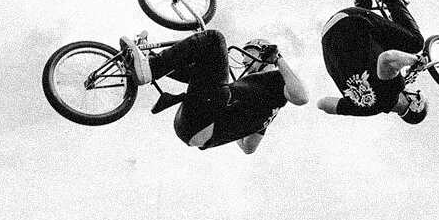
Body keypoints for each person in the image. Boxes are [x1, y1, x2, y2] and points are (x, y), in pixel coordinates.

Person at [120, 30, 309, 154]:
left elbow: (302, 97)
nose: (244, 60)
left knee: (214, 39)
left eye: (250, 53)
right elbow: (248, 147)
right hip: (195, 131)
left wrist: (278, 59)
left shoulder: (276, 79)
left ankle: (150, 67)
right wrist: (236, 124)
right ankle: (150, 60)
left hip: (201, 120)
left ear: (264, 54)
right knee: (202, 70)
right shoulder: (263, 110)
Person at [318, 0, 430, 125]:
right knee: (371, 52)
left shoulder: (393, 90)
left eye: (416, 94)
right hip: (327, 35)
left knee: (415, 43)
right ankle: (364, 6)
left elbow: (387, 58)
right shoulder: (367, 110)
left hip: (351, 21)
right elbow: (322, 103)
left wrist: (416, 60)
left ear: (415, 103)